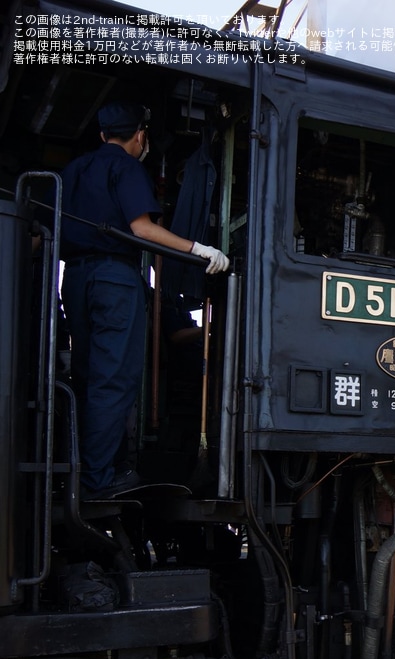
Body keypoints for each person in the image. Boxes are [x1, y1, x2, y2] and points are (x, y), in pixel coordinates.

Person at [59, 101, 229, 499]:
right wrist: (198, 249)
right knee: (113, 380)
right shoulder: (127, 168)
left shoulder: (74, 170)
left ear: (102, 134)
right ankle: (98, 481)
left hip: (75, 278)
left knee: (87, 377)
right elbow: (142, 229)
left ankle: (87, 470)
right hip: (115, 279)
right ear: (139, 136)